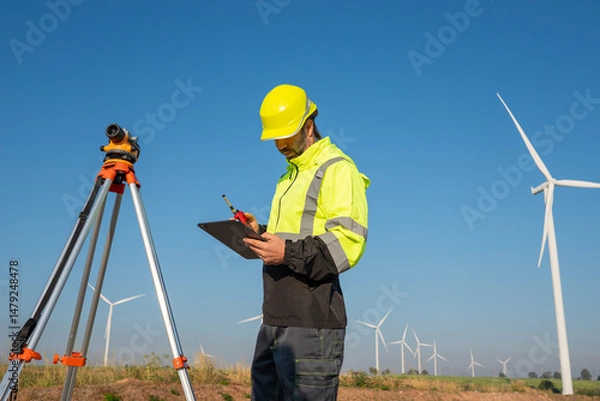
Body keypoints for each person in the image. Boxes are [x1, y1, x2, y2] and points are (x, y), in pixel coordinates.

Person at [242, 83, 370, 401]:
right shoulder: (289, 176)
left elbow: (347, 243)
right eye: (275, 139)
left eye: (285, 137)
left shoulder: (337, 169)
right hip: (275, 316)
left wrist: (284, 251)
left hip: (312, 322)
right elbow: (296, 234)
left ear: (308, 126)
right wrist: (261, 231)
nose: (279, 146)